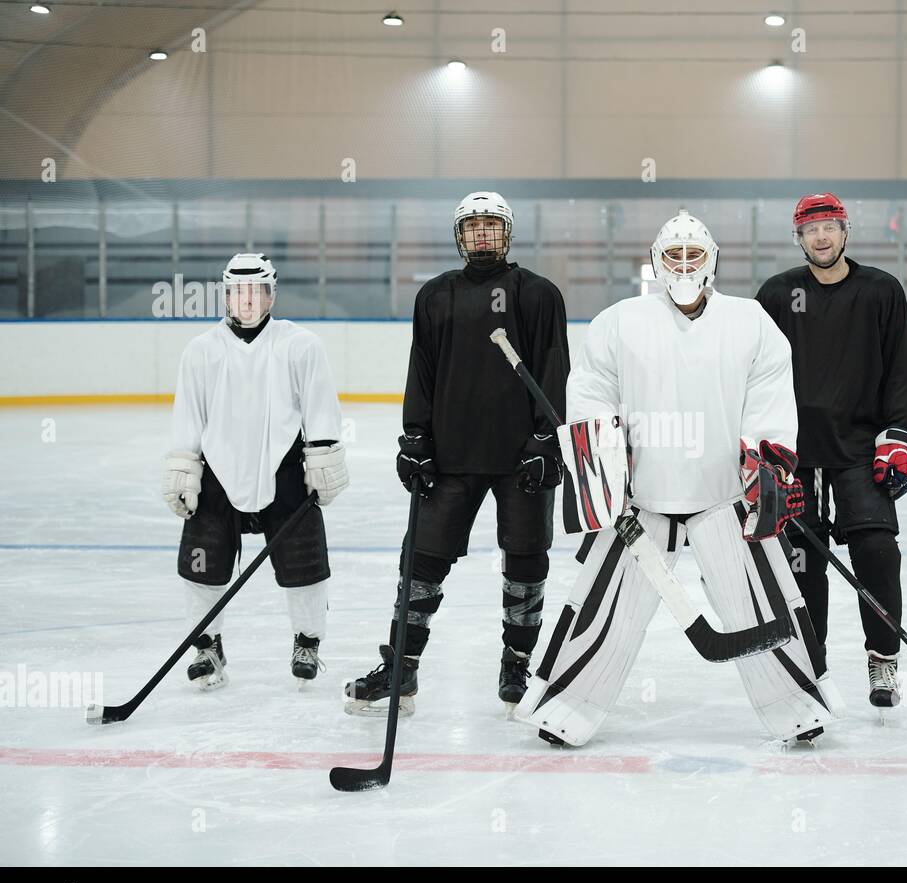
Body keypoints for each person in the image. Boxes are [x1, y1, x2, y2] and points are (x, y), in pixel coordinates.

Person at [513, 210, 843, 747]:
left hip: (725, 496)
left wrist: (766, 463)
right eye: (674, 256)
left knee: (763, 600)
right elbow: (592, 391)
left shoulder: (750, 320)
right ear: (656, 263)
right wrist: (602, 469)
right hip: (643, 500)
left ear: (712, 261)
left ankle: (798, 706)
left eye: (694, 255)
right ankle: (564, 707)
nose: (685, 265)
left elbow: (770, 398)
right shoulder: (621, 321)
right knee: (605, 608)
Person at [344, 191, 570, 716]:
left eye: (492, 226)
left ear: (507, 233)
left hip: (522, 459)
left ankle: (518, 666)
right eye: (474, 227)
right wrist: (415, 437)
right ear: (460, 236)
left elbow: (555, 368)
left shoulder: (538, 294)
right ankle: (402, 669)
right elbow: (421, 370)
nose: (483, 235)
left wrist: (546, 439)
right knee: (421, 562)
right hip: (450, 455)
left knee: (526, 562)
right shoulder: (435, 295)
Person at [756, 193, 907, 710]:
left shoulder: (881, 291)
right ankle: (810, 659)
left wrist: (897, 436)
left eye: (829, 227)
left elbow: (902, 369)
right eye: (811, 230)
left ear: (845, 232)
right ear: (798, 238)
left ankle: (883, 659)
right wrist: (759, 444)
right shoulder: (778, 295)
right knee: (803, 563)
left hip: (859, 453)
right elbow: (756, 375)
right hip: (796, 458)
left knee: (877, 554)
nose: (821, 237)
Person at [165, 252, 348, 690]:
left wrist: (322, 461)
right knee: (201, 568)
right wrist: (183, 470)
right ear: (227, 296)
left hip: (283, 471)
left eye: (256, 291)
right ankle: (207, 646)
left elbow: (322, 410)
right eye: (238, 292)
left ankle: (307, 641)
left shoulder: (301, 345)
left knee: (305, 564)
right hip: (217, 478)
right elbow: (187, 417)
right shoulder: (201, 351)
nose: (247, 301)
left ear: (271, 294)